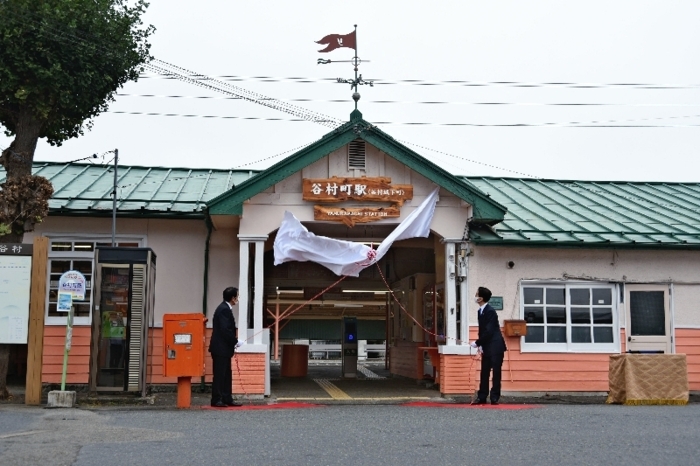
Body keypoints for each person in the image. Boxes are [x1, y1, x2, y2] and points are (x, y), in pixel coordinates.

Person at [470, 286, 507, 405]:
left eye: (477, 294)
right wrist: (481, 345)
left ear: (481, 298)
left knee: (496, 372)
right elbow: (482, 330)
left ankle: (494, 397)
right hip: (486, 346)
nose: (475, 296)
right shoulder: (480, 311)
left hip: (496, 347)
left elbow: (489, 331)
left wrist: (477, 342)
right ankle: (482, 396)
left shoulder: (490, 311)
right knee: (484, 372)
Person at [209, 286, 243, 407]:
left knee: (226, 374)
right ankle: (217, 399)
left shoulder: (224, 308)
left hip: (223, 349)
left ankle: (226, 397)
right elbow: (225, 330)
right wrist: (235, 341)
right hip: (220, 348)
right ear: (233, 298)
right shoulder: (224, 309)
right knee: (220, 374)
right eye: (237, 296)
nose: (237, 299)